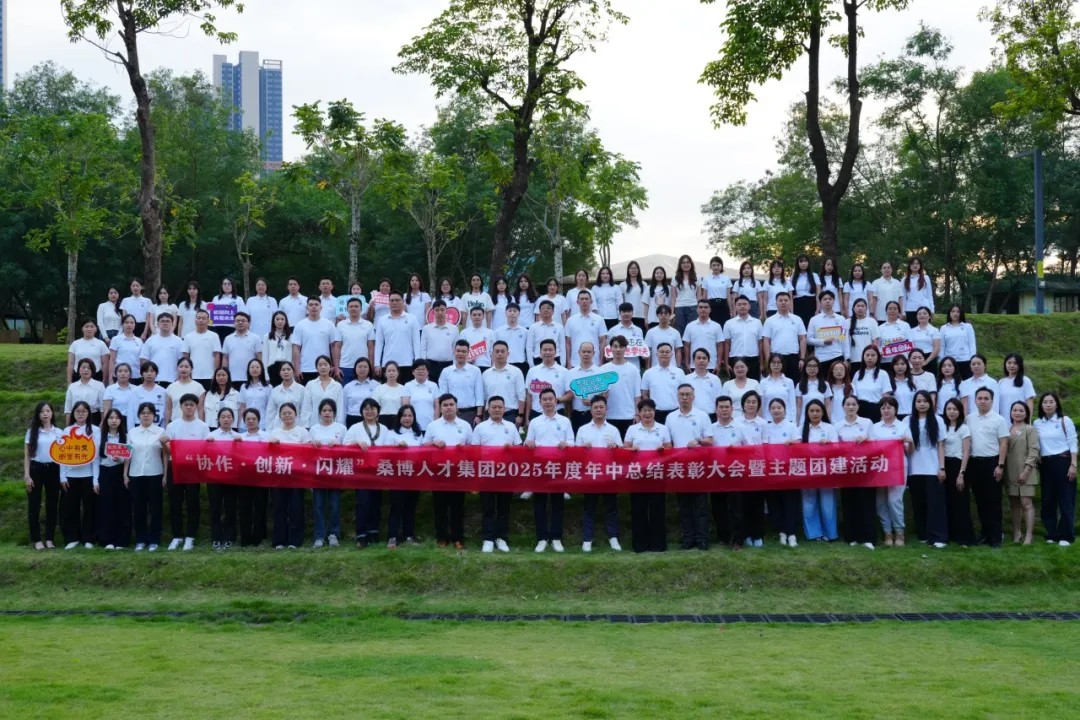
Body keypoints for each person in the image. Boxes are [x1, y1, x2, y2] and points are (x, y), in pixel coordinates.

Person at [524, 387, 574, 552]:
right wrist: (529, 443)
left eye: (550, 399)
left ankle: (556, 538)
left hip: (558, 467)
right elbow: (527, 442)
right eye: (544, 399)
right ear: (539, 402)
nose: (547, 402)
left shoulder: (564, 421)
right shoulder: (535, 422)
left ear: (555, 400)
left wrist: (567, 444)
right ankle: (542, 538)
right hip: (540, 467)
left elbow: (572, 441)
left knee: (557, 503)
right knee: (540, 503)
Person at [574, 396, 624, 553]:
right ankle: (587, 539)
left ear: (606, 409)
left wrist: (615, 447)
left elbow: (622, 452)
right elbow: (575, 454)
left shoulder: (613, 430)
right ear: (591, 410)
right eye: (595, 407)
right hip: (591, 474)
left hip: (609, 474)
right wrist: (583, 448)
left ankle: (613, 537)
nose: (598, 410)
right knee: (589, 508)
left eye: (601, 407)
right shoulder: (583, 429)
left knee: (611, 508)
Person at [424, 394, 474, 549]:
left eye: (451, 404)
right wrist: (433, 443)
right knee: (440, 507)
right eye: (445, 405)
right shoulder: (433, 426)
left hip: (458, 471)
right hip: (439, 471)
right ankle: (442, 537)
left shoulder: (465, 425)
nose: (448, 407)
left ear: (456, 406)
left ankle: (458, 538)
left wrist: (464, 449)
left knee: (457, 507)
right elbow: (423, 447)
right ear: (440, 408)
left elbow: (473, 448)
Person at [667, 384, 713, 550]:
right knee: (684, 505)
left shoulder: (702, 415)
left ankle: (702, 539)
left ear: (694, 397)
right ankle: (688, 538)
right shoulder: (671, 417)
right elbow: (668, 442)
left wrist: (699, 441)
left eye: (688, 395)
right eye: (682, 395)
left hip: (698, 465)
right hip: (679, 467)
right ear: (677, 397)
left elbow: (710, 440)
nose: (685, 398)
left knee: (700, 505)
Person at [161, 393, 209, 550]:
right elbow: (169, 450)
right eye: (186, 405)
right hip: (175, 466)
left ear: (196, 407)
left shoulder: (203, 426)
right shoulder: (172, 426)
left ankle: (190, 536)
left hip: (193, 468)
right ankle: (176, 536)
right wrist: (164, 444)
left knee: (192, 503)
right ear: (180, 407)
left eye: (192, 405)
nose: (189, 407)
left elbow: (206, 450)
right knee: (175, 502)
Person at [624, 398, 673, 552]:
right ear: (639, 413)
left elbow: (670, 448)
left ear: (654, 412)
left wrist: (663, 450)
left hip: (657, 474)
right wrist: (631, 450)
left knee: (657, 509)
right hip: (637, 474)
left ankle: (658, 544)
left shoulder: (663, 428)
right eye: (644, 410)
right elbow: (624, 449)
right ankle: (640, 544)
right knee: (638, 509)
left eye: (650, 410)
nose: (647, 413)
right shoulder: (632, 429)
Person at [473, 396, 521, 553]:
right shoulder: (480, 427)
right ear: (488, 409)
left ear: (504, 409)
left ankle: (501, 538)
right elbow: (474, 451)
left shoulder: (511, 426)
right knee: (488, 507)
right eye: (494, 407)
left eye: (500, 407)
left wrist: (512, 449)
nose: (497, 410)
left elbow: (519, 449)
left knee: (503, 508)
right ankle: (488, 538)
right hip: (486, 472)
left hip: (506, 472)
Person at [965, 387, 1009, 548]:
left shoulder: (999, 420)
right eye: (980, 398)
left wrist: (1000, 465)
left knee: (993, 502)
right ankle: (985, 534)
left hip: (992, 463)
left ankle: (996, 537)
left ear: (992, 401)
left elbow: (1004, 443)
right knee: (980, 501)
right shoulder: (969, 419)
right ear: (975, 400)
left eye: (986, 398)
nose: (983, 401)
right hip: (975, 463)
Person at [1034, 392, 1078, 546]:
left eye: (1051, 401)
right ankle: (1051, 533)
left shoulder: (1065, 420)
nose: (1048, 405)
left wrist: (1073, 464)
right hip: (1045, 464)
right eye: (1045, 402)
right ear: (1041, 405)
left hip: (1063, 461)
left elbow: (1073, 442)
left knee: (1065, 499)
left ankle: (1066, 535)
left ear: (1056, 404)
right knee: (1048, 499)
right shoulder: (1037, 423)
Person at [343, 398, 389, 547]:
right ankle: (361, 534)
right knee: (363, 502)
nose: (369, 412)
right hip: (361, 471)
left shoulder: (384, 429)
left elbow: (389, 448)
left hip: (378, 470)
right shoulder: (355, 427)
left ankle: (373, 531)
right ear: (361, 412)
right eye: (366, 409)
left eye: (373, 409)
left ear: (378, 411)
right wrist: (356, 444)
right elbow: (344, 446)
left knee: (376, 502)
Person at [871, 396, 914, 546]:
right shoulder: (874, 427)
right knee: (880, 501)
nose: (886, 410)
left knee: (894, 500)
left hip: (898, 468)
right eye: (883, 408)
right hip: (880, 468)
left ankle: (899, 531)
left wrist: (909, 442)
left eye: (889, 407)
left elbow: (909, 450)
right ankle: (887, 532)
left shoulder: (902, 426)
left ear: (896, 409)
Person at [125, 402, 167, 551]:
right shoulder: (132, 432)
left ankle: (154, 539)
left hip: (155, 473)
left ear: (154, 415)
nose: (146, 415)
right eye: (143, 413)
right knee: (138, 508)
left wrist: (165, 475)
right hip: (136, 474)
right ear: (139, 415)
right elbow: (128, 454)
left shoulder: (160, 432)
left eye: (149, 413)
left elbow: (165, 454)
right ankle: (140, 539)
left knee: (155, 508)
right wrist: (125, 474)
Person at [267, 403, 310, 549]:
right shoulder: (274, 433)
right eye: (284, 413)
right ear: (280, 416)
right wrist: (271, 445)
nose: (287, 416)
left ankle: (295, 540)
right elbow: (268, 454)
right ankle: (279, 540)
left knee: (296, 508)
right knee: (279, 508)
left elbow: (308, 453)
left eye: (290, 413)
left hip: (297, 476)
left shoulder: (303, 432)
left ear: (295, 414)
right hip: (278, 476)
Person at [836, 395, 876, 549]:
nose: (851, 407)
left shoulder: (867, 423)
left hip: (864, 469)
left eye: (853, 404)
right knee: (849, 503)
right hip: (846, 470)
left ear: (858, 406)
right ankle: (851, 537)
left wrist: (867, 440)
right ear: (843, 407)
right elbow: (835, 447)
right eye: (847, 404)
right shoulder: (838, 425)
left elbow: (877, 444)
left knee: (866, 503)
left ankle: (868, 538)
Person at [59, 401, 100, 549]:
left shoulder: (95, 430)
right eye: (78, 411)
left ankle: (89, 538)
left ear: (88, 413)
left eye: (84, 411)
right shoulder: (67, 431)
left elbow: (96, 457)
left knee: (89, 508)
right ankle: (73, 538)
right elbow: (61, 455)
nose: (81, 414)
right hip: (71, 476)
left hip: (88, 475)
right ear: (73, 414)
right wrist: (63, 477)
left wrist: (96, 480)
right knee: (71, 507)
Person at [908, 390, 947, 546]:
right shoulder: (907, 420)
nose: (922, 404)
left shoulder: (938, 420)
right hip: (914, 469)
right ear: (914, 404)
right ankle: (923, 534)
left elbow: (941, 445)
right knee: (919, 503)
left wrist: (942, 467)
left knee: (935, 504)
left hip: (932, 468)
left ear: (930, 404)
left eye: (925, 401)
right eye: (919, 401)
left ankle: (938, 537)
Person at [24, 401, 63, 550]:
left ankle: (49, 538)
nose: (45, 414)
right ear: (38, 414)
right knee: (34, 505)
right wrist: (27, 475)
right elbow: (27, 456)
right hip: (36, 469)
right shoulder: (31, 432)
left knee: (52, 504)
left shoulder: (59, 432)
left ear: (52, 413)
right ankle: (36, 539)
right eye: (42, 411)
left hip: (54, 469)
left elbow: (63, 455)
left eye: (48, 411)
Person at [309, 399, 348, 549]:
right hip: (318, 471)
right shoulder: (314, 429)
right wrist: (312, 444)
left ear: (334, 413)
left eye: (330, 411)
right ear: (319, 413)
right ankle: (319, 535)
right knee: (318, 505)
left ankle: (333, 534)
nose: (327, 413)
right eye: (324, 410)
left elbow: (348, 448)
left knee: (334, 504)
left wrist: (339, 445)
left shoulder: (341, 428)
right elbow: (307, 450)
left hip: (335, 471)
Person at [800, 399, 840, 543]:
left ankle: (830, 533)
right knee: (809, 503)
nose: (815, 413)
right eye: (811, 411)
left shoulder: (830, 428)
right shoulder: (801, 428)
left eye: (818, 410)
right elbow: (796, 448)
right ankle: (814, 534)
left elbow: (838, 448)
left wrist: (829, 444)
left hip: (826, 470)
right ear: (807, 413)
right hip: (807, 470)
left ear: (823, 412)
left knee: (827, 504)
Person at [763, 398, 801, 547]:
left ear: (785, 410)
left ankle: (792, 534)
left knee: (790, 502)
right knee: (775, 502)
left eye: (779, 407)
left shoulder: (792, 426)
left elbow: (799, 444)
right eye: (773, 408)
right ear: (769, 411)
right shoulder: (766, 427)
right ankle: (782, 532)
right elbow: (764, 446)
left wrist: (793, 444)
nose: (776, 410)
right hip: (773, 470)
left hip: (790, 470)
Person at [709, 395, 746, 549]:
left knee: (736, 507)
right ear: (716, 409)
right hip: (716, 472)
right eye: (721, 407)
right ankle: (723, 537)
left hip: (735, 471)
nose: (724, 410)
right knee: (718, 506)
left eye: (727, 407)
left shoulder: (740, 427)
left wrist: (737, 451)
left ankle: (738, 539)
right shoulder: (710, 428)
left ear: (732, 409)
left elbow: (749, 449)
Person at [386, 405, 425, 547]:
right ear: (399, 417)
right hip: (397, 476)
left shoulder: (418, 434)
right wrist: (396, 448)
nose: (407, 418)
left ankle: (409, 535)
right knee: (396, 507)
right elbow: (384, 453)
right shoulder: (391, 433)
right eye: (404, 415)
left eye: (410, 416)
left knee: (411, 507)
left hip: (414, 476)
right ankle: (392, 536)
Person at [204, 407, 243, 550]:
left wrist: (240, 445)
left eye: (229, 417)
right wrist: (207, 445)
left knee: (230, 507)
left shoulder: (238, 436)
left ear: (233, 419)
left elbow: (243, 457)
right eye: (223, 417)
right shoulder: (211, 435)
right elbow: (203, 455)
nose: (226, 419)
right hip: (214, 477)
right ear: (218, 419)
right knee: (215, 507)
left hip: (232, 477)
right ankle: (216, 537)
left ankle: (229, 537)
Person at [1004, 400, 1040, 545]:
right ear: (1010, 412)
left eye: (1021, 410)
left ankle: (1029, 535)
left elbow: (1034, 451)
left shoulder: (1030, 429)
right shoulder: (1007, 429)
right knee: (1014, 504)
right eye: (1015, 410)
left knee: (1026, 503)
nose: (1017, 413)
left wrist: (1026, 471)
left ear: (1026, 413)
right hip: (1010, 472)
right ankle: (1017, 533)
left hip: (1026, 471)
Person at [941, 398, 975, 546]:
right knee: (946, 501)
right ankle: (949, 535)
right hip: (944, 465)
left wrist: (961, 473)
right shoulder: (942, 427)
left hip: (959, 465)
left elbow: (966, 451)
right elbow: (940, 447)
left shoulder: (964, 428)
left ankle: (964, 537)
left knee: (961, 502)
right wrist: (941, 468)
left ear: (960, 411)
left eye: (955, 409)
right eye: (949, 409)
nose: (952, 412)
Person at [96, 409, 130, 550]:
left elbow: (128, 457)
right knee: (106, 506)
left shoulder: (126, 436)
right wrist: (95, 480)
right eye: (111, 418)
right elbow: (96, 459)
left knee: (122, 506)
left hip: (120, 472)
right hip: (105, 472)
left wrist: (121, 461)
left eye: (116, 418)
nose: (114, 420)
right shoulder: (100, 437)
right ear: (106, 420)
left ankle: (122, 540)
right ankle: (107, 540)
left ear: (121, 420)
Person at [737, 392, 768, 547]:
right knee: (744, 503)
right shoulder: (736, 422)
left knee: (757, 502)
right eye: (748, 402)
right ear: (743, 404)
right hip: (741, 466)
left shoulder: (763, 423)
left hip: (757, 466)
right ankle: (746, 534)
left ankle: (758, 535)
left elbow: (766, 445)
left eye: (754, 402)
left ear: (758, 405)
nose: (751, 404)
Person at [237, 408, 269, 547]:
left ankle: (258, 536)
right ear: (244, 421)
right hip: (244, 477)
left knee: (260, 506)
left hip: (262, 476)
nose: (251, 421)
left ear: (258, 420)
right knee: (245, 507)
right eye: (248, 419)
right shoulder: (240, 437)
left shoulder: (266, 436)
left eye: (253, 419)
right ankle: (245, 537)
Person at [374, 290, 421, 383]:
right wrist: (377, 363)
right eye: (392, 300)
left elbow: (416, 342)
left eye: (397, 300)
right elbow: (379, 343)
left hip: (407, 363)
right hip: (388, 364)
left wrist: (418, 363)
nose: (394, 302)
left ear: (403, 301)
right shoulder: (382, 320)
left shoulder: (412, 319)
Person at [292, 297, 342, 383]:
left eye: (316, 304)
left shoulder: (329, 324)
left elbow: (334, 347)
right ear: (307, 308)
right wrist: (297, 369)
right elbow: (296, 348)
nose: (314, 307)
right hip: (305, 368)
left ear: (321, 307)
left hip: (325, 368)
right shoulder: (300, 325)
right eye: (311, 305)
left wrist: (336, 367)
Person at [762, 292, 806, 381]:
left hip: (793, 358)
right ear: (776, 303)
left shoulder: (797, 319)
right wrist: (768, 360)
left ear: (790, 302)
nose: (783, 302)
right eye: (780, 300)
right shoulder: (770, 321)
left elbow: (802, 339)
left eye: (786, 300)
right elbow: (766, 341)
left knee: (794, 383)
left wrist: (802, 358)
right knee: (776, 383)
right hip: (776, 358)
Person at [604, 336, 642, 439]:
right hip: (608, 416)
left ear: (626, 348)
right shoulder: (603, 369)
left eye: (621, 347)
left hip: (629, 416)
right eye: (615, 346)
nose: (618, 349)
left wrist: (637, 414)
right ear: (610, 348)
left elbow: (637, 395)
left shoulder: (633, 369)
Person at [483, 341, 527, 427]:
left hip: (510, 414)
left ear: (508, 354)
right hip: (490, 415)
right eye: (497, 351)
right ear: (492, 354)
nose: (499, 354)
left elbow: (521, 395)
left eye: (502, 351)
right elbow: (485, 397)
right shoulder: (486, 374)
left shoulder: (516, 372)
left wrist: (520, 415)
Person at [805, 290, 846, 379]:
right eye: (825, 299)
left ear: (834, 301)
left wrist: (847, 358)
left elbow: (844, 339)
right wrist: (823, 342)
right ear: (820, 302)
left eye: (830, 299)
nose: (827, 301)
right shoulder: (814, 320)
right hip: (821, 357)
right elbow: (809, 339)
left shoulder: (841, 319)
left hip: (837, 355)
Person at [564, 290, 607, 369]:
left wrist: (601, 362)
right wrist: (568, 363)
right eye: (582, 299)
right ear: (577, 302)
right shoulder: (570, 320)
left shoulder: (599, 319)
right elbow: (567, 343)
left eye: (586, 299)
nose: (584, 301)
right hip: (575, 363)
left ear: (591, 301)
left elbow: (602, 342)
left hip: (595, 363)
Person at [181, 309, 222, 390]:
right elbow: (185, 356)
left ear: (208, 321)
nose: (201, 320)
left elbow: (217, 355)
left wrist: (215, 373)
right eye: (198, 318)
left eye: (203, 318)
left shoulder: (214, 336)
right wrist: (187, 372)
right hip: (193, 375)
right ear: (195, 320)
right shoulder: (188, 336)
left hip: (209, 375)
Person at [723, 297, 763, 379]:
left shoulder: (757, 322)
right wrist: (726, 363)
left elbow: (760, 343)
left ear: (749, 306)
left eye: (744, 304)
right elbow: (726, 344)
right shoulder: (729, 323)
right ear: (735, 307)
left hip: (753, 359)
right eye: (739, 304)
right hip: (735, 359)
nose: (742, 306)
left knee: (753, 384)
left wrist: (762, 363)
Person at [641, 344, 682, 423]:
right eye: (661, 352)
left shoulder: (679, 372)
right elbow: (644, 394)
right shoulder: (648, 373)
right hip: (655, 413)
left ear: (672, 354)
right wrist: (650, 409)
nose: (664, 354)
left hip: (675, 412)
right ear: (656, 354)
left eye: (667, 352)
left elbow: (683, 392)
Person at [300, 355, 345, 428]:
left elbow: (340, 408)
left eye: (325, 364)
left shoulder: (337, 386)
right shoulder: (310, 385)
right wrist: (305, 425)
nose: (323, 367)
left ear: (330, 367)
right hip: (314, 425)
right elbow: (306, 407)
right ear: (316, 368)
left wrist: (339, 425)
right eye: (320, 365)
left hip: (333, 426)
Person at [139, 313, 183, 387]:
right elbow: (143, 360)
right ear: (158, 324)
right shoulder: (150, 340)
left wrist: (179, 378)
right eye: (162, 321)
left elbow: (182, 362)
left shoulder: (179, 341)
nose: (165, 323)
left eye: (167, 321)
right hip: (154, 380)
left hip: (173, 381)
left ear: (172, 324)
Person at [420, 300, 459, 381]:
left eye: (442, 310)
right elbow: (423, 349)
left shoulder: (454, 329)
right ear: (433, 312)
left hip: (448, 365)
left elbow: (456, 349)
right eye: (437, 310)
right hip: (431, 365)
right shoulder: (426, 329)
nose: (440, 312)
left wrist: (455, 366)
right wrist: (423, 367)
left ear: (446, 311)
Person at [221, 312, 262, 389]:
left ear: (248, 323)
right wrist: (224, 374)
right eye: (237, 321)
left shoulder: (255, 338)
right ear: (234, 323)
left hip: (251, 377)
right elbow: (225, 358)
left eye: (243, 321)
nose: (240, 322)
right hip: (232, 378)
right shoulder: (228, 339)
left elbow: (259, 357)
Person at [852, 346, 892, 423]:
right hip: (859, 410)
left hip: (875, 410)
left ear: (878, 357)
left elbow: (886, 396)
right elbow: (853, 394)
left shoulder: (883, 374)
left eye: (873, 355)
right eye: (867, 355)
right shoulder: (858, 374)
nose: (870, 358)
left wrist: (885, 413)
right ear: (863, 356)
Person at [682, 300, 723, 374]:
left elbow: (720, 346)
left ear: (710, 309)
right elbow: (687, 346)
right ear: (697, 309)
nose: (703, 309)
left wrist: (718, 364)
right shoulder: (690, 326)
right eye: (700, 307)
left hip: (711, 365)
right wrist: (687, 363)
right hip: (694, 365)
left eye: (706, 307)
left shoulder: (716, 326)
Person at [940, 304, 977, 379]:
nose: (955, 313)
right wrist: (941, 360)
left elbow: (972, 344)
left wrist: (973, 359)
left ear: (961, 313)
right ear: (949, 313)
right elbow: (942, 346)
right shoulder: (944, 328)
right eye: (953, 311)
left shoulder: (967, 327)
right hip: (950, 361)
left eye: (958, 311)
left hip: (965, 360)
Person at [65, 359, 105, 427]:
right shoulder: (72, 386)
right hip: (76, 417)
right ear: (78, 369)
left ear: (92, 371)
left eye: (89, 368)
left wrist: (102, 422)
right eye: (83, 367)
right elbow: (68, 409)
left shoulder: (99, 385)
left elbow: (103, 407)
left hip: (93, 418)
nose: (86, 370)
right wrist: (68, 426)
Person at [759, 353, 797, 424]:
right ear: (769, 364)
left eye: (779, 363)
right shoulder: (763, 382)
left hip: (786, 420)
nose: (776, 365)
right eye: (773, 362)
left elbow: (792, 404)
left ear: (782, 365)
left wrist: (793, 422)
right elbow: (762, 404)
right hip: (768, 420)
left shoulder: (789, 382)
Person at [266, 361, 305, 431]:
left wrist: (304, 427)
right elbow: (270, 413)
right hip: (278, 427)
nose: (286, 372)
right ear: (280, 373)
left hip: (297, 426)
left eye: (288, 369)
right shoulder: (275, 391)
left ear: (293, 371)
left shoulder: (301, 389)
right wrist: (269, 430)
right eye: (283, 370)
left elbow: (304, 410)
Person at [685, 348, 723, 418]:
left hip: (711, 416)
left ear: (708, 361)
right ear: (693, 360)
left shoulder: (715, 379)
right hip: (692, 416)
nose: (701, 361)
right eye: (698, 358)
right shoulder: (686, 379)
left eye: (704, 358)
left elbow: (719, 400)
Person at [164, 358, 203, 425]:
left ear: (191, 369)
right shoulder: (171, 387)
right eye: (181, 366)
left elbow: (200, 410)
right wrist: (167, 425)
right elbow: (168, 409)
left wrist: (201, 425)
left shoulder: (199, 387)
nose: (183, 369)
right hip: (175, 424)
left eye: (186, 367)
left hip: (194, 424)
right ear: (177, 368)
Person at [495, 303, 530, 378]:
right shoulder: (498, 331)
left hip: (521, 364)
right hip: (503, 364)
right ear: (505, 313)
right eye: (510, 311)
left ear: (519, 313)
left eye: (515, 311)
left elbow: (528, 348)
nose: (512, 313)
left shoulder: (525, 331)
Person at [643, 305, 684, 369]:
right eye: (661, 313)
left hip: (672, 367)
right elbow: (648, 351)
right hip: (655, 367)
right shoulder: (650, 332)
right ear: (657, 315)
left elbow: (678, 351)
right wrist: (647, 367)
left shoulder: (675, 332)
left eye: (666, 313)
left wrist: (678, 366)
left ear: (669, 315)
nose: (663, 315)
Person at [846, 299, 878, 376]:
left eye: (862, 306)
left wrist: (874, 355)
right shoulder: (847, 322)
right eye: (858, 306)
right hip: (853, 359)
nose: (860, 308)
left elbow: (875, 340)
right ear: (853, 308)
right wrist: (846, 358)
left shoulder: (872, 321)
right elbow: (843, 340)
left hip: (868, 359)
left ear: (866, 308)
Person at [997, 353, 1036, 417]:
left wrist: (1028, 419)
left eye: (1015, 363)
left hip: (1020, 419)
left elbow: (1030, 402)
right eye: (1009, 363)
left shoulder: (1025, 380)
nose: (1012, 365)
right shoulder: (1001, 382)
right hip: (1003, 419)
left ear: (1020, 365)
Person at [201, 367, 240, 431]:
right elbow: (204, 411)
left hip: (231, 428)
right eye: (218, 375)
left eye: (223, 375)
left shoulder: (236, 394)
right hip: (212, 427)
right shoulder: (210, 394)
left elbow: (239, 413)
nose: (221, 377)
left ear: (228, 377)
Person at [209, 277, 246, 344]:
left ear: (232, 286)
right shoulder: (216, 298)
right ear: (222, 286)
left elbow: (243, 314)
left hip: (232, 329)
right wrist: (210, 325)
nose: (227, 286)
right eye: (225, 284)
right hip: (218, 329)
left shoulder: (238, 299)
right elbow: (211, 313)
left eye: (229, 284)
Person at [403, 360, 437, 431]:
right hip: (413, 426)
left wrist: (436, 424)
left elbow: (437, 407)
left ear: (428, 372)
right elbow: (405, 407)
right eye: (418, 369)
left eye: (423, 369)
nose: (421, 371)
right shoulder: (408, 386)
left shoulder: (434, 386)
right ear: (413, 372)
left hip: (430, 425)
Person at [373, 362, 409, 429]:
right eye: (389, 371)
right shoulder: (379, 389)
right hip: (383, 419)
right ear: (385, 373)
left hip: (398, 419)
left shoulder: (404, 389)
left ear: (398, 373)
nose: (391, 373)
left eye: (394, 371)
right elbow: (375, 407)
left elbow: (405, 408)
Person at [109, 315, 144, 385]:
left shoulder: (139, 341)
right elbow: (112, 360)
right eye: (127, 322)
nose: (129, 325)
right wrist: (110, 379)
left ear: (135, 325)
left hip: (136, 375)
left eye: (132, 323)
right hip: (119, 376)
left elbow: (141, 361)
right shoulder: (116, 339)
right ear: (122, 324)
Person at [796, 357, 833, 423]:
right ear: (805, 368)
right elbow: (799, 407)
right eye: (809, 366)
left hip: (821, 420)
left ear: (819, 368)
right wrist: (797, 422)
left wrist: (828, 421)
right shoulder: (800, 385)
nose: (812, 369)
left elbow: (828, 406)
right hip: (804, 421)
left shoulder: (825, 384)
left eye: (815, 366)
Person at [237, 359, 271, 431]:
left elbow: (270, 407)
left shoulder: (268, 387)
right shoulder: (244, 387)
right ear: (248, 370)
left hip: (262, 424)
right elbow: (242, 407)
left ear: (262, 370)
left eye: (257, 367)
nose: (254, 369)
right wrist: (239, 424)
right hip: (245, 424)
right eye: (252, 367)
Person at [132, 361, 167, 429]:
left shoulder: (163, 391)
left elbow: (164, 413)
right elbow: (131, 414)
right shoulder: (135, 391)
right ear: (142, 373)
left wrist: (163, 429)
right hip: (139, 427)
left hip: (157, 427)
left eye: (152, 371)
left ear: (156, 373)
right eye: (146, 371)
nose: (149, 374)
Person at [527, 299, 564, 365]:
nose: (546, 310)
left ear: (553, 311)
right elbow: (529, 347)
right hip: (538, 359)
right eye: (543, 308)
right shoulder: (533, 327)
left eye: (548, 308)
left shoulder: (559, 327)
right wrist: (531, 364)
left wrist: (563, 364)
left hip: (555, 359)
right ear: (539, 311)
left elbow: (562, 346)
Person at [263, 310, 294, 387]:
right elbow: (265, 356)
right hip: (272, 367)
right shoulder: (267, 337)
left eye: (282, 319)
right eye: (277, 319)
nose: (280, 321)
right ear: (273, 321)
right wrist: (266, 374)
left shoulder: (291, 336)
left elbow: (293, 355)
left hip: (286, 367)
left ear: (286, 321)